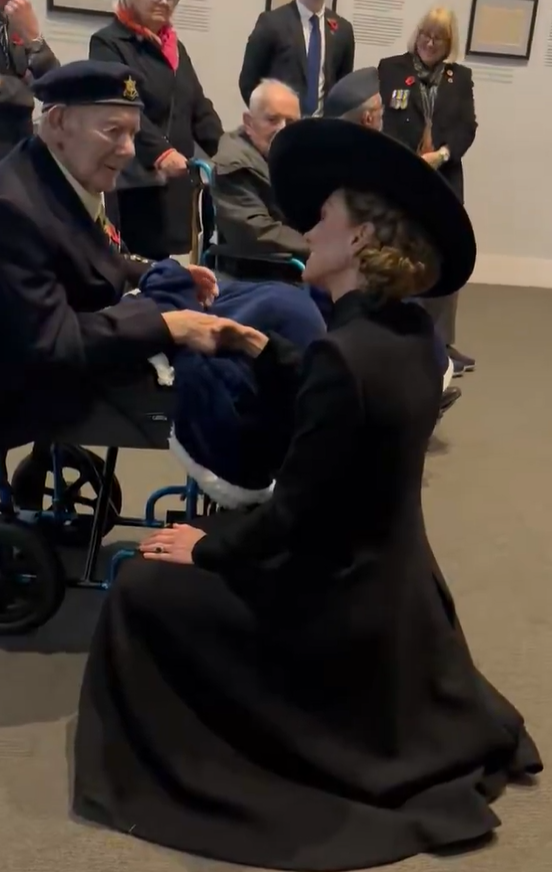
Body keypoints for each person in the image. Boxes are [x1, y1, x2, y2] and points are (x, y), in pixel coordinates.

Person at [73, 118, 541, 869]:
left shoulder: (345, 355)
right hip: (396, 587)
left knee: (141, 588)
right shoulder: (411, 337)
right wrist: (265, 348)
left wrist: (205, 547)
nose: (309, 229)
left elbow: (288, 518)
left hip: (330, 604)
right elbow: (353, 408)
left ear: (359, 239)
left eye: (324, 216)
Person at [0, 60, 232, 450]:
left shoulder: (57, 173)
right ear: (57, 122)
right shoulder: (13, 209)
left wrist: (155, 272)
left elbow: (86, 254)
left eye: (133, 134)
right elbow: (54, 342)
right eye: (112, 131)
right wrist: (165, 324)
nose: (127, 151)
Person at [324, 66, 461, 412]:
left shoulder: (336, 153)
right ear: (369, 117)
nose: (385, 118)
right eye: (381, 112)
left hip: (352, 255)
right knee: (402, 298)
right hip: (345, 263)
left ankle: (423, 384)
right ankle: (421, 388)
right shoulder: (363, 163)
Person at [378, 6, 477, 376]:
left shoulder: (459, 78)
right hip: (402, 176)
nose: (430, 43)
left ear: (449, 44)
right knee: (399, 256)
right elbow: (384, 121)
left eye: (438, 38)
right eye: (425, 35)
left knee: (445, 257)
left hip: (444, 179)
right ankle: (397, 336)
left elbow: (467, 126)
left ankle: (442, 343)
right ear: (416, 34)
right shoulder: (391, 68)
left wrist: (443, 154)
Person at [89, 0, 223, 261]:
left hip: (171, 189)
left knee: (163, 269)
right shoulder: (108, 43)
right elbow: (124, 108)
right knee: (131, 268)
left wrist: (230, 154)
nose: (165, 1)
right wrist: (161, 152)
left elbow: (198, 108)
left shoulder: (176, 49)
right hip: (133, 187)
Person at [212, 78, 308, 280]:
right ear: (249, 122)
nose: (282, 129)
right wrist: (318, 246)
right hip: (262, 274)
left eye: (291, 122)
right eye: (272, 120)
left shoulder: (298, 154)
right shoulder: (234, 165)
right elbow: (256, 232)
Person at [239, 0, 354, 117]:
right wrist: (269, 119)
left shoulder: (343, 29)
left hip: (323, 123)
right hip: (282, 122)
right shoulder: (271, 23)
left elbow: (343, 87)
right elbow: (248, 81)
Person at [0, 0, 58, 159]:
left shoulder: (14, 22)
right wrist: (26, 90)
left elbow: (55, 85)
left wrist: (33, 38)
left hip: (19, 150)